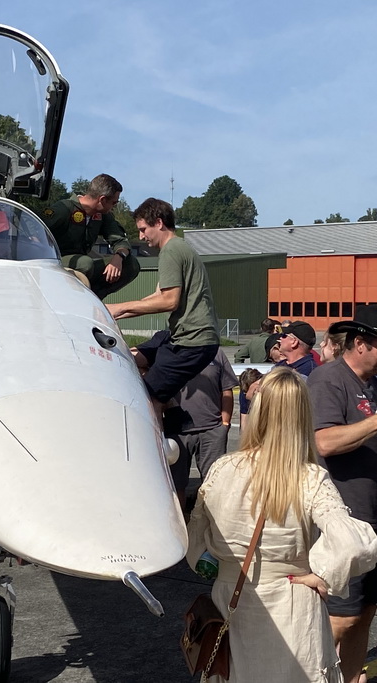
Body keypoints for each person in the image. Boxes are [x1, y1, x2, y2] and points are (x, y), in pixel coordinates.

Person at [187, 367, 377, 683]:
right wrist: (323, 574)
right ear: (303, 415)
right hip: (291, 606)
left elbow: (196, 539)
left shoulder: (222, 470)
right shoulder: (309, 478)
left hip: (230, 599)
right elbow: (352, 543)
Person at [307, 304, 377, 683]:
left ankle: (352, 677)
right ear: (359, 343)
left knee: (365, 611)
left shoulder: (370, 383)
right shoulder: (328, 380)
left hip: (367, 517)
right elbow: (324, 441)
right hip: (338, 520)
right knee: (341, 617)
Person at [107, 199, 219, 417]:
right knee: (133, 359)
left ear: (158, 223)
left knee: (149, 400)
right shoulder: (180, 247)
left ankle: (164, 427)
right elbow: (158, 296)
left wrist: (118, 308)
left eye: (143, 230)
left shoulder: (170, 251)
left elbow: (169, 301)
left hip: (191, 343)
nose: (141, 237)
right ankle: (175, 413)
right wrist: (115, 313)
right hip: (189, 339)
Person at [41, 173, 140, 299]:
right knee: (85, 263)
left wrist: (119, 257)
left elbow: (120, 240)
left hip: (83, 267)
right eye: (114, 203)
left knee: (131, 264)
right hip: (54, 264)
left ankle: (93, 298)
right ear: (102, 200)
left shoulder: (102, 216)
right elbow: (35, 230)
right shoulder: (64, 209)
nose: (114, 207)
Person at [168, 342, 238, 511]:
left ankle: (211, 523)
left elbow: (227, 390)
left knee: (214, 483)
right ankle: (180, 524)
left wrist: (225, 424)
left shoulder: (216, 353)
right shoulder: (167, 351)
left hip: (212, 429)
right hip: (177, 431)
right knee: (176, 485)